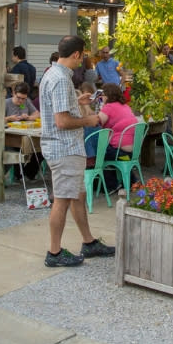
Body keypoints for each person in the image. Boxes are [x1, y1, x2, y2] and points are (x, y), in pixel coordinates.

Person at [39, 35, 115, 267]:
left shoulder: (52, 74)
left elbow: (60, 110)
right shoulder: (61, 80)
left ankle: (89, 242)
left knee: (78, 196)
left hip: (65, 148)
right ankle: (54, 252)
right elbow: (62, 121)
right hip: (65, 148)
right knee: (61, 200)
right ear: (76, 55)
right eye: (82, 56)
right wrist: (89, 120)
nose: (82, 60)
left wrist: (77, 101)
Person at [98, 82, 138, 191]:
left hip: (119, 152)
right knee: (110, 152)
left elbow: (98, 121)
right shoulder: (125, 106)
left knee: (99, 155)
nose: (101, 97)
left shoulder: (109, 107)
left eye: (102, 94)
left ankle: (111, 185)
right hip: (132, 152)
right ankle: (131, 181)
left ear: (107, 95)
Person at [6, 82, 42, 181]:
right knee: (22, 149)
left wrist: (29, 117)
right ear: (14, 93)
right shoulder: (6, 103)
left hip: (26, 132)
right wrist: (9, 118)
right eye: (19, 98)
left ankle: (29, 173)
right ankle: (19, 174)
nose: (21, 101)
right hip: (11, 137)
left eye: (23, 98)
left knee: (40, 149)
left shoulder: (26, 102)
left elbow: (37, 114)